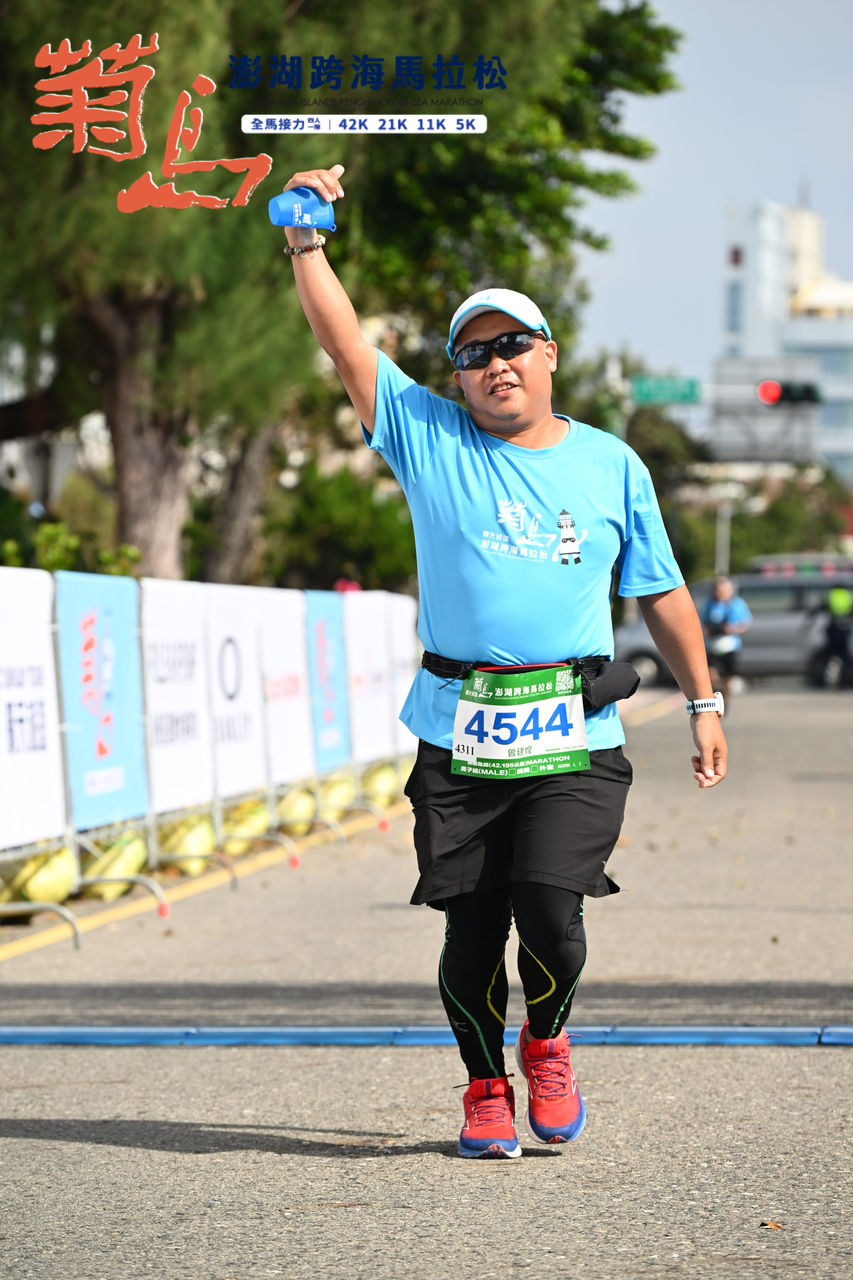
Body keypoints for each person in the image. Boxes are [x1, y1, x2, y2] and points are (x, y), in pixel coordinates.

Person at [280, 163, 727, 1160]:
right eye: (473, 353)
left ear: (548, 353)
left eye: (511, 344)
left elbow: (660, 592)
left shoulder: (610, 462)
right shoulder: (428, 438)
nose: (495, 364)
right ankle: (486, 1084)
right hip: (460, 727)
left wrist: (704, 702)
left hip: (574, 727)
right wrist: (306, 240)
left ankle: (547, 1039)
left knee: (551, 914)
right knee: (473, 926)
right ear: (456, 377)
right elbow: (345, 343)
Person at [700, 576, 753, 701]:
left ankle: (726, 698)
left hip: (731, 645)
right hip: (714, 644)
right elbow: (704, 620)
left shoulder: (737, 604)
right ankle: (717, 691)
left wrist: (732, 629)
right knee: (711, 673)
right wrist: (710, 629)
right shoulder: (710, 603)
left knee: (729, 676)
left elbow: (746, 623)